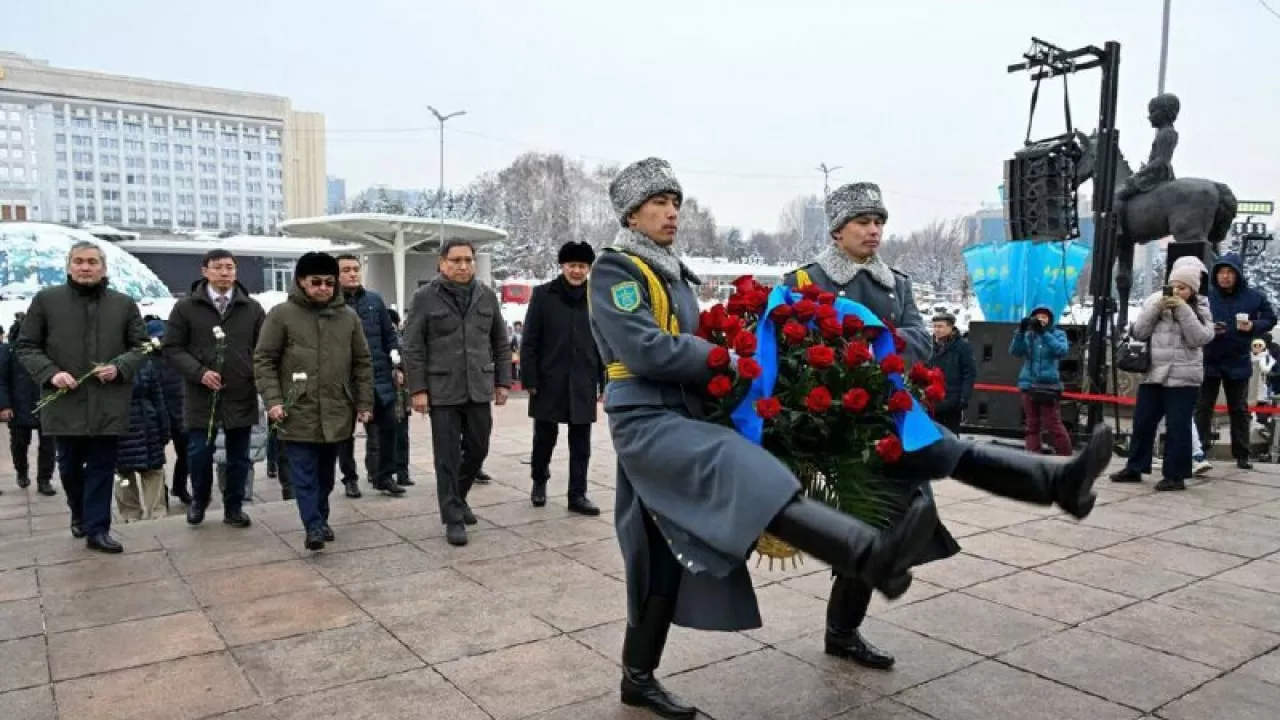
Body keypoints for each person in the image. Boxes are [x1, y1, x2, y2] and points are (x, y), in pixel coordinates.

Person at [782, 181, 1110, 673]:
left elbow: (920, 339)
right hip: (837, 421)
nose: (874, 231)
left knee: (946, 458)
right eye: (863, 222)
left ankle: (1059, 482)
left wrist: (876, 343)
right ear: (836, 230)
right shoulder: (805, 281)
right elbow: (789, 350)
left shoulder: (896, 282)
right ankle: (843, 631)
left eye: (879, 223)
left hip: (891, 409)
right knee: (882, 523)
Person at [15, 241, 150, 553]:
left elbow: (142, 346)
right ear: (68, 266)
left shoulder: (123, 303)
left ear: (103, 268)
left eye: (92, 262)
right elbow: (26, 345)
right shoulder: (47, 301)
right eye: (79, 261)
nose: (85, 267)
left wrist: (119, 367)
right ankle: (79, 512)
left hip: (107, 401)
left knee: (103, 467)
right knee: (70, 467)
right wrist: (51, 373)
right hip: (64, 400)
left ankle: (97, 528)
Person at [254, 252, 375, 551]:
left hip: (336, 409)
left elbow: (362, 362)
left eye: (329, 283)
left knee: (326, 474)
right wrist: (273, 400)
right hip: (297, 409)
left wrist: (363, 402)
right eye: (316, 282)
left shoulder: (348, 317)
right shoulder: (281, 315)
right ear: (301, 282)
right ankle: (313, 526)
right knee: (303, 474)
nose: (323, 288)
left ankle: (320, 517)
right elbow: (264, 360)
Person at [403, 239, 512, 548]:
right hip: (443, 390)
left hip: (478, 387)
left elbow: (500, 343)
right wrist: (419, 390)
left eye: (468, 260)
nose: (463, 266)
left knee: (478, 449)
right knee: (447, 457)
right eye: (456, 260)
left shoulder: (487, 296)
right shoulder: (425, 297)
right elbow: (412, 346)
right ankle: (452, 518)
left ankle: (458, 497)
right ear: (442, 263)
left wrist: (503, 382)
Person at [162, 249, 264, 529]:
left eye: (230, 267)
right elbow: (171, 347)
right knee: (199, 452)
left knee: (239, 456)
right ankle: (200, 499)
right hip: (201, 394)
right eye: (218, 267)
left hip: (240, 391)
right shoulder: (186, 307)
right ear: (204, 271)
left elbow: (264, 350)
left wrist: (253, 375)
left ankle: (234, 506)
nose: (225, 273)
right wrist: (199, 372)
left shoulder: (251, 308)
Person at [1109, 256, 1214, 491]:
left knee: (1178, 428)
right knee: (1143, 422)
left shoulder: (1201, 306)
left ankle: (1175, 475)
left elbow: (1201, 338)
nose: (1178, 290)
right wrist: (1157, 308)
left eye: (1184, 287)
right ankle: (1135, 467)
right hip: (1154, 373)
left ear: (1193, 289)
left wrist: (1183, 309)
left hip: (1184, 378)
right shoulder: (1155, 300)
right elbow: (1139, 332)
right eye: (1175, 285)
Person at [521, 240, 605, 514]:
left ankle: (577, 495)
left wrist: (604, 382)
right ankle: (539, 481)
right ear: (562, 266)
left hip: (583, 380)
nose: (577, 271)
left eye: (582, 266)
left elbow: (604, 343)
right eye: (572, 265)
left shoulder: (597, 298)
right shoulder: (544, 295)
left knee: (581, 443)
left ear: (589, 268)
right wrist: (530, 379)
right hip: (549, 380)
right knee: (544, 438)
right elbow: (530, 341)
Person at [334, 254, 407, 498]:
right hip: (345, 380)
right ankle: (350, 478)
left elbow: (390, 336)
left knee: (388, 429)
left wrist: (398, 364)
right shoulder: (331, 303)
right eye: (346, 270)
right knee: (345, 434)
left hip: (379, 377)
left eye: (356, 269)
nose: (353, 273)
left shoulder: (375, 301)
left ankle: (384, 476)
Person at [1197, 253, 1277, 470]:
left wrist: (1253, 326)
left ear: (1238, 275)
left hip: (1238, 360)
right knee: (1203, 407)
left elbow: (1271, 318)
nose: (1225, 277)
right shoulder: (1207, 296)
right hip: (1209, 358)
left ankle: (1242, 454)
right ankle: (1198, 452)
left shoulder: (1254, 297)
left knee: (1239, 409)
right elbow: (1194, 316)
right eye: (1221, 272)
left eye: (1230, 272)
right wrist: (1209, 328)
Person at [0, 315, 57, 495]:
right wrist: (5, 406)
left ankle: (44, 479)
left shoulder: (49, 350)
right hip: (18, 405)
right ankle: (22, 472)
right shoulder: (8, 351)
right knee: (19, 443)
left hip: (46, 403)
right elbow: (1, 381)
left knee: (49, 445)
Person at [113, 353, 170, 521]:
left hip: (147, 427)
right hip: (120, 427)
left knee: (153, 472)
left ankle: (156, 514)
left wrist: (163, 427)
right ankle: (131, 515)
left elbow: (158, 398)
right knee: (123, 476)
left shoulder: (145, 363)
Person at [1010, 305, 1073, 456]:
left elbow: (1061, 351)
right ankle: (1033, 456)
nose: (1041, 320)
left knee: (1053, 424)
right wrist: (1020, 332)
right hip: (1028, 384)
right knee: (1032, 424)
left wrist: (1044, 333)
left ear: (1050, 320)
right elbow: (1015, 351)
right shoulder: (1028, 335)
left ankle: (1065, 456)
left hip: (1047, 385)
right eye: (1038, 317)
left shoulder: (1058, 333)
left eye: (1044, 317)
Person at [145, 318, 189, 506]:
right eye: (157, 338)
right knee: (156, 458)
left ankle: (180, 487)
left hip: (179, 410)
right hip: (155, 414)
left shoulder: (177, 354)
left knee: (186, 453)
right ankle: (160, 493)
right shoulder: (145, 359)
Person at [925, 312, 975, 433]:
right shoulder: (929, 345)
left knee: (950, 436)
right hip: (930, 399)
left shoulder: (962, 346)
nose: (936, 330)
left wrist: (964, 398)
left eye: (940, 326)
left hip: (952, 400)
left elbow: (969, 373)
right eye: (935, 326)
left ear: (950, 327)